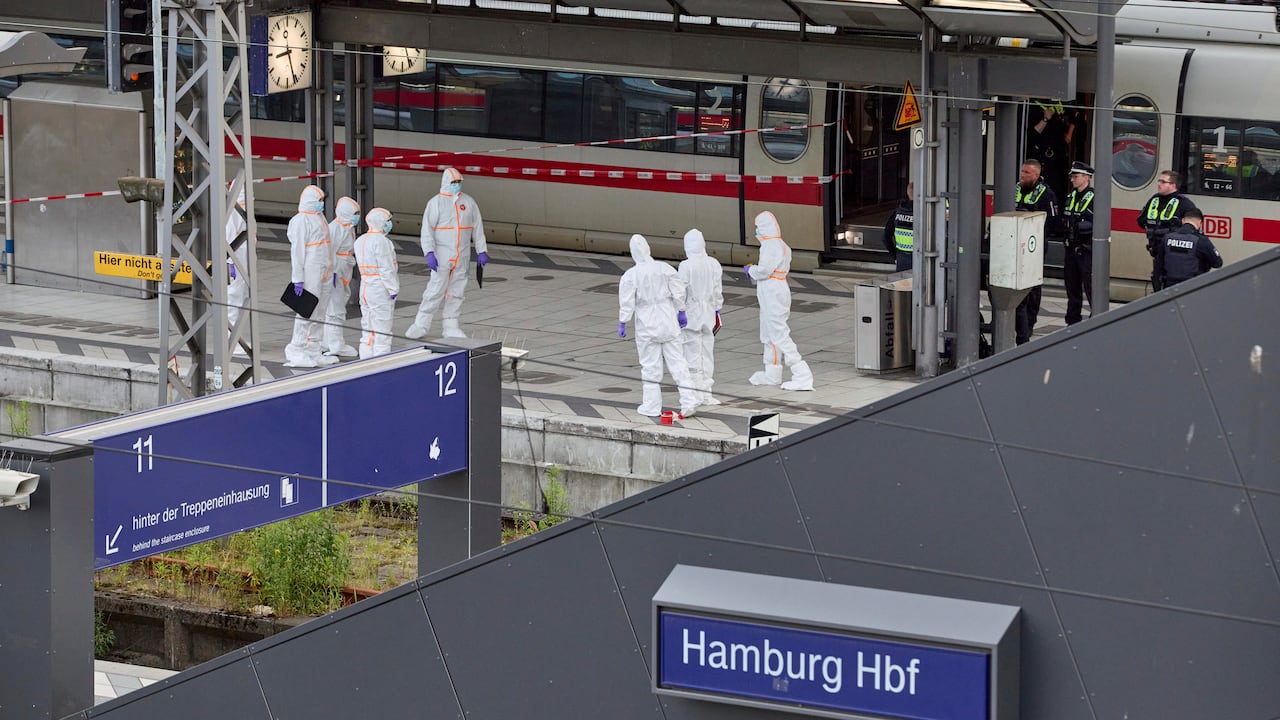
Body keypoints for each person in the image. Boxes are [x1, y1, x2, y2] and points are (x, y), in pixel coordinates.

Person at [618, 234, 702, 419]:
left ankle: (652, 406)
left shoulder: (631, 275)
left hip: (647, 326)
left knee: (650, 366)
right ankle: (689, 400)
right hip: (668, 320)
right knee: (678, 362)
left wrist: (623, 321)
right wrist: (681, 310)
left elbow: (627, 302)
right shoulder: (664, 268)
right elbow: (678, 290)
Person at [407, 167, 488, 340]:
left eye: (459, 182)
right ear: (446, 182)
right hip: (441, 255)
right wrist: (429, 252)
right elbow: (427, 230)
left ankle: (451, 324)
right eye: (453, 182)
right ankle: (421, 324)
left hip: (462, 254)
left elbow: (477, 227)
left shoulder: (468, 202)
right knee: (435, 289)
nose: (457, 185)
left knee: (457, 290)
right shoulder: (435, 203)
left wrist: (482, 250)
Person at [744, 211, 813, 391]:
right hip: (774, 290)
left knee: (778, 333)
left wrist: (751, 270)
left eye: (758, 228)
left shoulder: (771, 246)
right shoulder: (779, 244)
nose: (757, 232)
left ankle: (801, 374)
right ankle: (772, 373)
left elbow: (765, 270)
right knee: (768, 333)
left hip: (772, 291)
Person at [284, 185, 336, 368]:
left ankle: (314, 349)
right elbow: (297, 252)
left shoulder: (319, 218)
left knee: (320, 311)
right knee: (306, 310)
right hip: (310, 269)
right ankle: (296, 349)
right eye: (319, 201)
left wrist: (332, 269)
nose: (322, 204)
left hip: (324, 269)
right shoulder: (300, 221)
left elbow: (327, 246)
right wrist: (297, 277)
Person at [1013, 159, 1059, 344]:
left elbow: (1053, 221)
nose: (1022, 175)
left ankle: (1029, 323)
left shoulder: (1046, 194)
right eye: (1022, 171)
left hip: (1034, 245)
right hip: (1013, 242)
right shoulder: (1015, 188)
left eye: (1027, 173)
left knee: (1032, 286)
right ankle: (1015, 321)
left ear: (1037, 175)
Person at [677, 228, 724, 406]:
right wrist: (717, 309)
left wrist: (680, 311)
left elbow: (681, 291)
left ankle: (696, 394)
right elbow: (717, 290)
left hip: (692, 313)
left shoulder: (686, 266)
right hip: (709, 312)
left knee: (692, 353)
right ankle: (707, 393)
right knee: (707, 353)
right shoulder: (714, 263)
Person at [1137, 170, 1196, 290]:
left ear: (1173, 185)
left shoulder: (1184, 203)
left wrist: (1177, 226)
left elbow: (1193, 226)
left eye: (1163, 182)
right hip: (1156, 249)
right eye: (1159, 181)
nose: (1159, 184)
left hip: (1175, 252)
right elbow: (1141, 220)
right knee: (1157, 279)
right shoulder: (1154, 200)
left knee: (1171, 281)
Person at [354, 208, 400, 359]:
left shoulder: (360, 240)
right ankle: (382, 360)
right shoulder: (383, 242)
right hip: (380, 288)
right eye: (387, 221)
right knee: (382, 328)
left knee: (367, 326)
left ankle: (365, 358)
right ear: (380, 222)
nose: (389, 224)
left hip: (365, 286)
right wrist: (393, 289)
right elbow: (386, 268)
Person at [320, 196, 360, 358]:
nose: (357, 216)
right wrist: (333, 272)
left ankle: (326, 341)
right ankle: (336, 344)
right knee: (336, 309)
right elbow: (329, 253)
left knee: (335, 306)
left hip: (343, 270)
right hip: (336, 272)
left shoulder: (348, 227)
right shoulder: (335, 229)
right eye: (355, 213)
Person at [1061, 161, 1095, 325]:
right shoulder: (1070, 197)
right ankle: (1072, 320)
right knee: (1072, 286)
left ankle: (1096, 316)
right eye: (1072, 177)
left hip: (1085, 250)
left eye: (1075, 176)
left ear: (1086, 178)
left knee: (1090, 286)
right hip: (1071, 248)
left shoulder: (1095, 198)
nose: (1072, 180)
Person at [1159, 208, 1222, 286]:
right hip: (1193, 287)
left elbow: (1160, 261)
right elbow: (1218, 263)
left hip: (1169, 286)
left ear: (1183, 220)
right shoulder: (1200, 240)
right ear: (1200, 222)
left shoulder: (1167, 237)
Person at [1027, 98, 1071, 201]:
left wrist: (1069, 135)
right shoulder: (1034, 105)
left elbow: (1072, 120)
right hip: (1044, 156)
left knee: (1059, 187)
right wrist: (1045, 119)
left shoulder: (1061, 102)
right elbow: (1032, 134)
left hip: (1059, 155)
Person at [226, 187, 249, 356]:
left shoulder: (242, 211)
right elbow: (228, 238)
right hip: (236, 259)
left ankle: (238, 337)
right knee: (234, 297)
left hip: (242, 258)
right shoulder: (234, 212)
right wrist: (230, 264)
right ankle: (231, 338)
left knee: (242, 298)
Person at [882, 181, 914, 272]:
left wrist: (895, 256)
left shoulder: (898, 212)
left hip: (902, 258)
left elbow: (885, 237)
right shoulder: (925, 212)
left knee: (902, 285)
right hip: (921, 257)